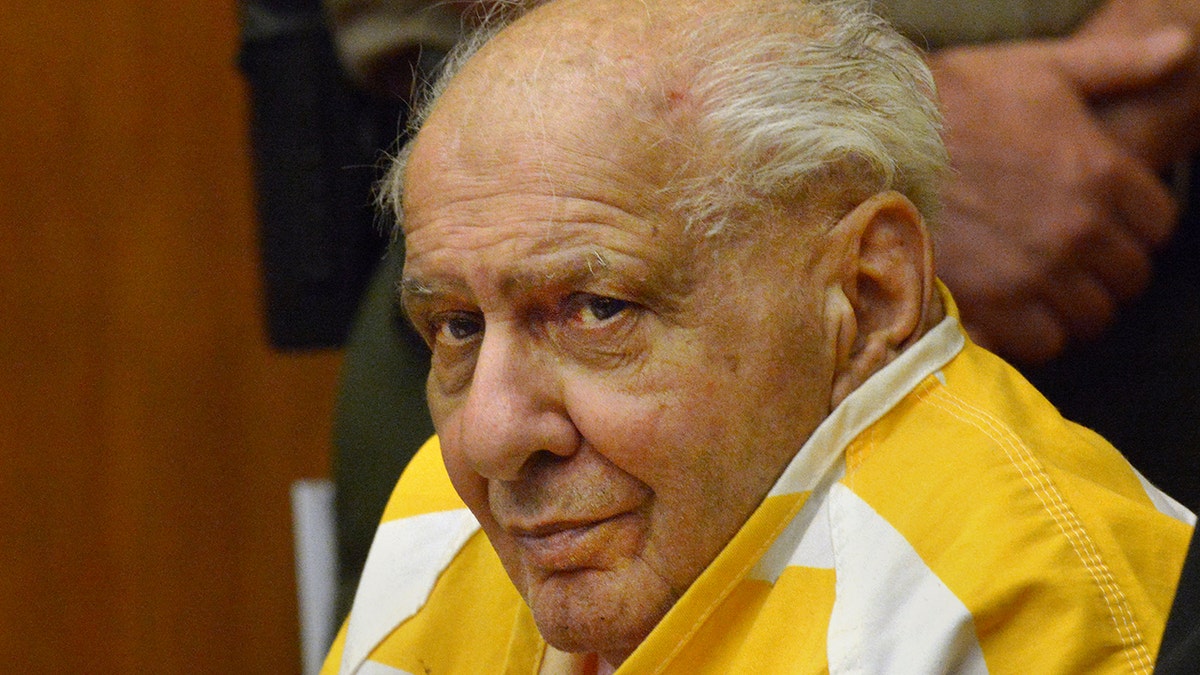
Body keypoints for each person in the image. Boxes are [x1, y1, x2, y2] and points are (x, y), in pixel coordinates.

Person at [319, 1, 1195, 672]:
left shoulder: (1003, 606)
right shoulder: (440, 507)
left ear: (867, 293)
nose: (490, 435)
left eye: (597, 308)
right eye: (457, 326)